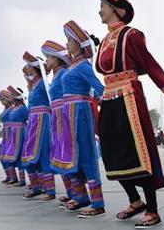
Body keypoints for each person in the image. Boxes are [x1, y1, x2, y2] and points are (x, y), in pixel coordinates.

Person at [95, 0, 164, 228]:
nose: (99, 11)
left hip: (129, 96)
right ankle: (134, 200)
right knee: (110, 150)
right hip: (108, 97)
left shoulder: (131, 35)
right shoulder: (105, 39)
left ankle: (152, 209)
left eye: (102, 6)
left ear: (115, 9)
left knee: (138, 150)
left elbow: (148, 63)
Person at [55, 23, 107, 217]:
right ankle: (80, 197)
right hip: (68, 113)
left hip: (80, 112)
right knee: (72, 154)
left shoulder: (84, 65)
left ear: (78, 43)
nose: (67, 44)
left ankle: (97, 203)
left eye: (69, 40)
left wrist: (110, 105)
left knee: (86, 155)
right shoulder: (73, 65)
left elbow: (99, 88)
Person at [41, 40, 76, 204]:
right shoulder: (55, 74)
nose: (46, 61)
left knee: (66, 152)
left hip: (63, 115)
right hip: (55, 116)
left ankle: (78, 195)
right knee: (59, 153)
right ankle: (71, 192)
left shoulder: (62, 73)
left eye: (48, 57)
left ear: (56, 58)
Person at [21, 51, 55, 200]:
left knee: (43, 153)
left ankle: (50, 191)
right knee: (29, 155)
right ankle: (37, 187)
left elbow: (51, 98)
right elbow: (24, 72)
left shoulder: (43, 84)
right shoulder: (35, 85)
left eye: (29, 66)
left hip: (42, 120)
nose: (26, 68)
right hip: (33, 121)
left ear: (34, 68)